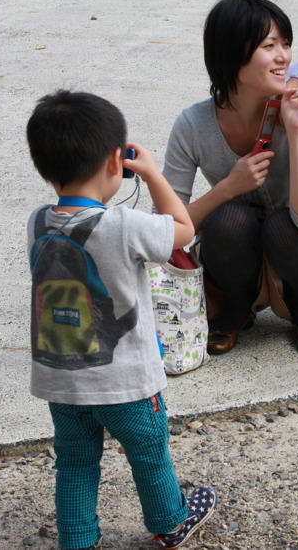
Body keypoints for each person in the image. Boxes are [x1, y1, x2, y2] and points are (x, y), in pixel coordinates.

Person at [25, 89, 216, 550]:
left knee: (73, 460)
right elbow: (184, 230)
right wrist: (151, 173)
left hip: (62, 379)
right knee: (149, 454)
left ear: (42, 167)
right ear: (117, 163)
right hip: (125, 380)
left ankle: (77, 539)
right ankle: (170, 521)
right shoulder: (125, 224)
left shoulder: (36, 221)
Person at [162, 0, 298, 357]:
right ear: (231, 54)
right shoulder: (193, 124)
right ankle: (236, 306)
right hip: (231, 251)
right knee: (227, 218)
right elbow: (164, 232)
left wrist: (295, 131)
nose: (284, 57)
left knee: (284, 223)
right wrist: (228, 188)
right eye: (269, 46)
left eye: (286, 44)